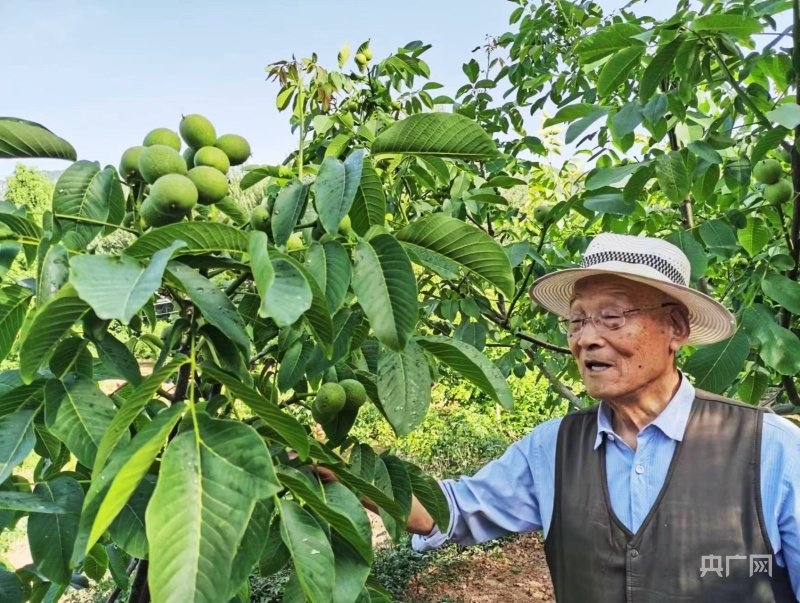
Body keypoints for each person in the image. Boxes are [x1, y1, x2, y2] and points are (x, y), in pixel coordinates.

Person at [404, 232, 800, 602]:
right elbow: (449, 511)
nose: (586, 338)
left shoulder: (772, 449)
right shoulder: (552, 449)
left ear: (675, 327)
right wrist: (354, 472)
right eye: (577, 321)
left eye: (613, 317)